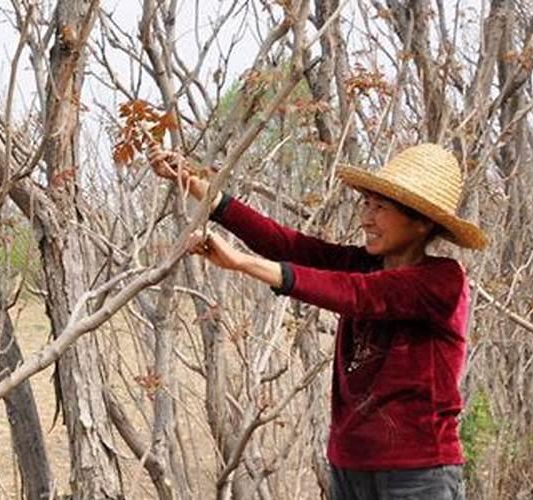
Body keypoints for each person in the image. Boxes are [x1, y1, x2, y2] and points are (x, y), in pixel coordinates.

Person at [148, 143, 487, 500]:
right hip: (349, 465)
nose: (366, 219)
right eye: (366, 204)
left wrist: (242, 263)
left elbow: (357, 293)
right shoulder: (363, 263)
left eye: (381, 208)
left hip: (419, 472)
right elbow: (287, 244)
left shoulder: (442, 280)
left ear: (421, 222)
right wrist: (193, 183)